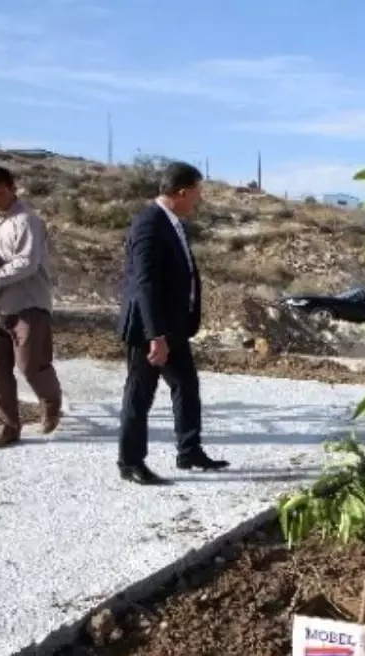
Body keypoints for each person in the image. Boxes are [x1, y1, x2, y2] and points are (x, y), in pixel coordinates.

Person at [116, 161, 228, 485]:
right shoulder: (149, 224)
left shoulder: (174, 223)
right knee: (139, 394)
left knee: (186, 386)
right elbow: (145, 283)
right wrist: (156, 335)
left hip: (173, 326)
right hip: (150, 330)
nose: (199, 199)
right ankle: (130, 462)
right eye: (197, 192)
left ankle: (189, 450)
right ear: (181, 192)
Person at [0, 166, 62, 449]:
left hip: (28, 305)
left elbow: (27, 262)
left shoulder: (28, 221)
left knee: (30, 365)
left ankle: (51, 401)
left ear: (12, 189)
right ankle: (7, 427)